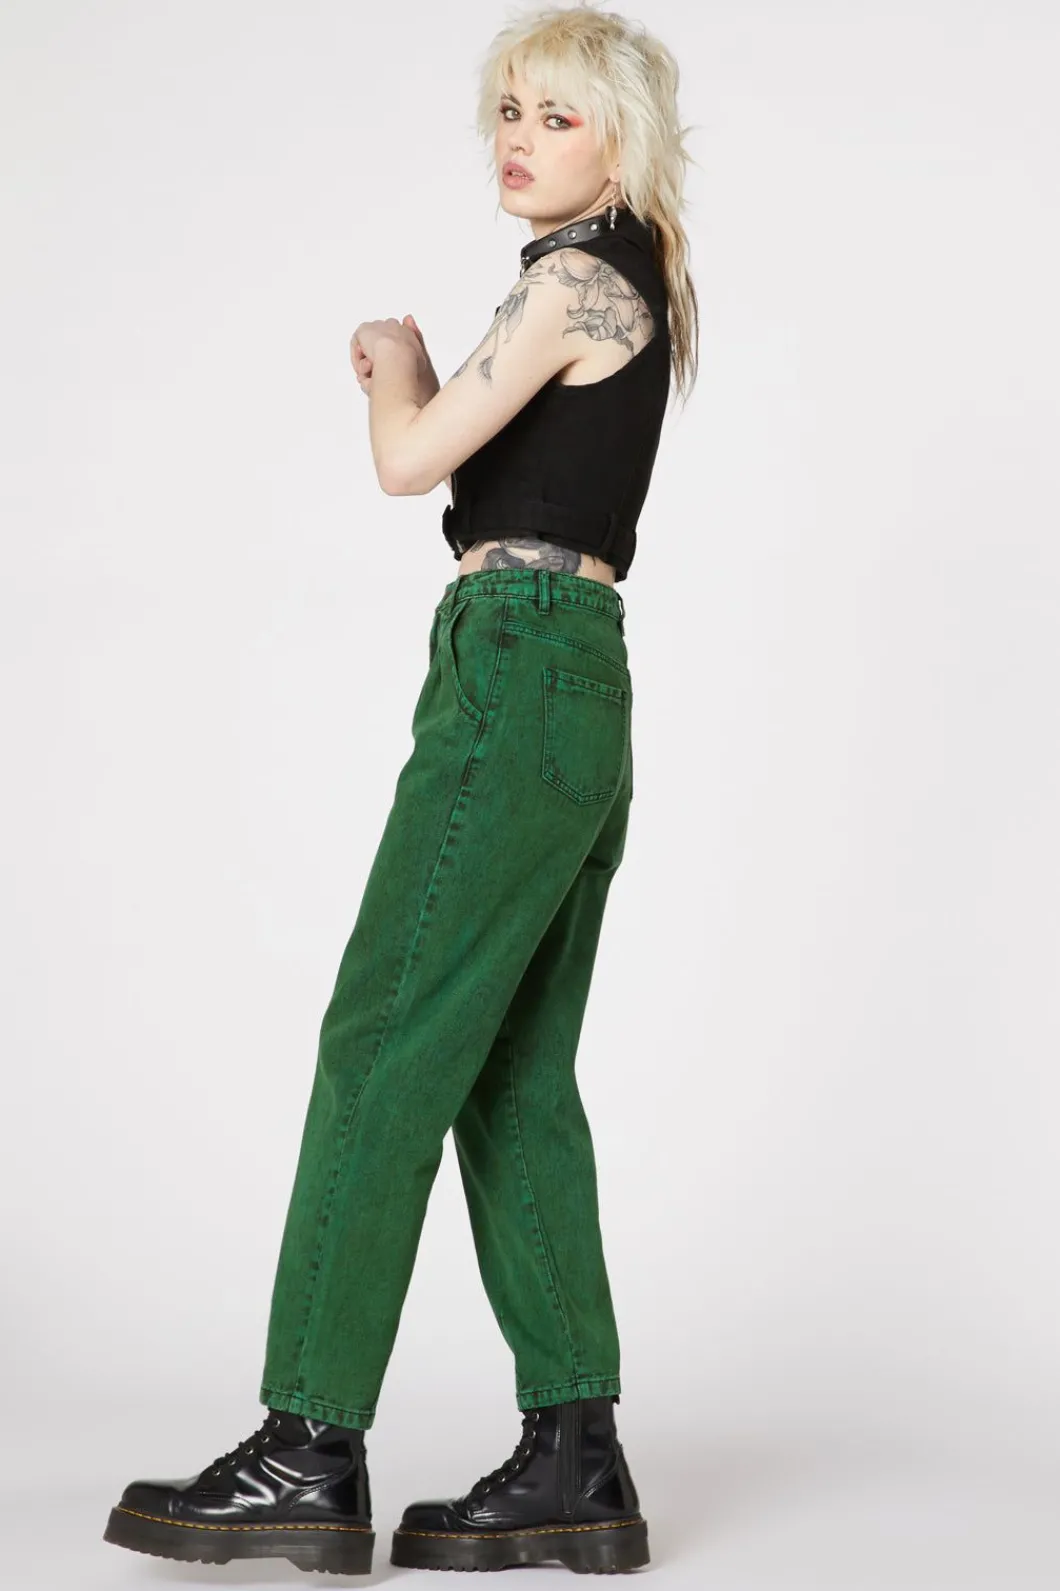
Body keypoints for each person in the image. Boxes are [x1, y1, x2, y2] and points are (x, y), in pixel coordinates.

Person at [104, 3, 698, 1577]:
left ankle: (307, 1443)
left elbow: (410, 455)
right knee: (509, 1071)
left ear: (622, 142)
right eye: (508, 107)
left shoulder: (572, 279)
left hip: (517, 662)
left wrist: (397, 362)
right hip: (582, 680)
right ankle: (576, 1458)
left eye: (557, 114)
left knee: (380, 1037)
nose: (519, 136)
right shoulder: (633, 275)